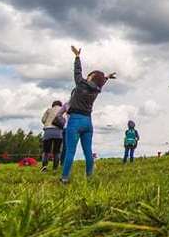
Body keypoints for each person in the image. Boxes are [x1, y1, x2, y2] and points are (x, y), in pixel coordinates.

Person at [61, 46, 116, 184]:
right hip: (87, 122)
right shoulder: (96, 90)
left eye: (90, 74)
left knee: (70, 152)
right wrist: (107, 77)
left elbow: (77, 72)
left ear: (91, 77)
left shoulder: (81, 84)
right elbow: (100, 83)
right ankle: (90, 176)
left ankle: (65, 178)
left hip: (75, 121)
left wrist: (77, 57)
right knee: (87, 151)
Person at [40, 99, 67, 172]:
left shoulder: (49, 110)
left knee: (46, 151)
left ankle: (44, 167)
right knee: (57, 151)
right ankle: (55, 168)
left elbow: (43, 120)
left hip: (48, 131)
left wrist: (48, 123)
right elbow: (65, 121)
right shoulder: (63, 111)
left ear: (53, 105)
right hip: (58, 132)